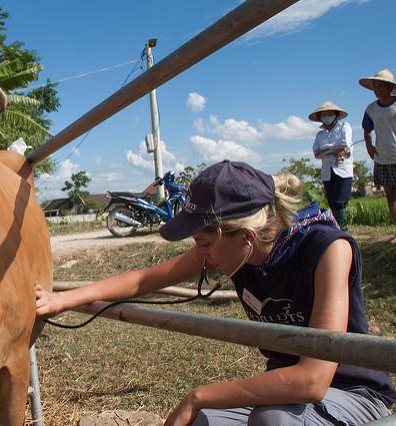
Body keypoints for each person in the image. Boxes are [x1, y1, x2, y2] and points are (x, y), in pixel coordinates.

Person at [36, 160, 395, 426]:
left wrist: (198, 395)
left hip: (351, 393)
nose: (199, 254)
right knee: (203, 420)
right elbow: (143, 280)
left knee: (272, 421)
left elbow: (313, 380)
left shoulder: (327, 249)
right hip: (284, 395)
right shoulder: (235, 253)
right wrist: (62, 299)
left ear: (246, 237)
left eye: (204, 243)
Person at [360, 68, 396, 243]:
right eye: (375, 86)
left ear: (390, 87)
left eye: (380, 85)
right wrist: (369, 148)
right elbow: (367, 132)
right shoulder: (371, 109)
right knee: (390, 195)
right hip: (383, 158)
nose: (377, 89)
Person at [309, 101, 353, 231]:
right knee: (333, 203)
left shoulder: (345, 127)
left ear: (336, 115)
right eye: (324, 115)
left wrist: (327, 150)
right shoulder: (320, 135)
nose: (327, 117)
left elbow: (345, 145)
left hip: (342, 169)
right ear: (320, 117)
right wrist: (333, 149)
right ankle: (336, 229)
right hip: (327, 171)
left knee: (340, 202)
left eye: (329, 114)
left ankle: (343, 230)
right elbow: (317, 152)